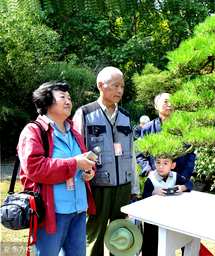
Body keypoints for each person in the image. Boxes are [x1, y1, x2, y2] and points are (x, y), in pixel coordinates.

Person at [17, 81, 96, 256]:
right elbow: (35, 167)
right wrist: (74, 163)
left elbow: (83, 160)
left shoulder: (73, 132)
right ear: (46, 102)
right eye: (62, 97)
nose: (68, 101)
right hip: (51, 211)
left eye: (69, 97)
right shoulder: (33, 131)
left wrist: (89, 171)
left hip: (78, 208)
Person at [72, 67, 140, 256]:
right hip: (97, 187)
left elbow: (132, 153)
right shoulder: (85, 113)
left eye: (122, 86)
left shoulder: (125, 116)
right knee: (95, 236)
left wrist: (134, 188)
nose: (120, 90)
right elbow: (78, 152)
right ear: (101, 86)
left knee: (121, 236)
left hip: (123, 187)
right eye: (115, 85)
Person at [141, 156, 193, 256]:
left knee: (168, 244)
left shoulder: (175, 176)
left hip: (169, 217)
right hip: (152, 219)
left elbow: (189, 183)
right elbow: (143, 197)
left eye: (165, 163)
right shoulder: (151, 179)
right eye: (158, 163)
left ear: (172, 165)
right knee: (151, 243)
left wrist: (183, 187)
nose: (161, 166)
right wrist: (153, 192)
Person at [136, 93, 196, 179]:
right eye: (166, 102)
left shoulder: (183, 128)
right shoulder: (148, 128)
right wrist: (149, 171)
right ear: (156, 106)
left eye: (172, 102)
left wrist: (184, 176)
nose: (170, 104)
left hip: (179, 178)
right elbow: (140, 154)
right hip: (156, 179)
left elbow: (190, 154)